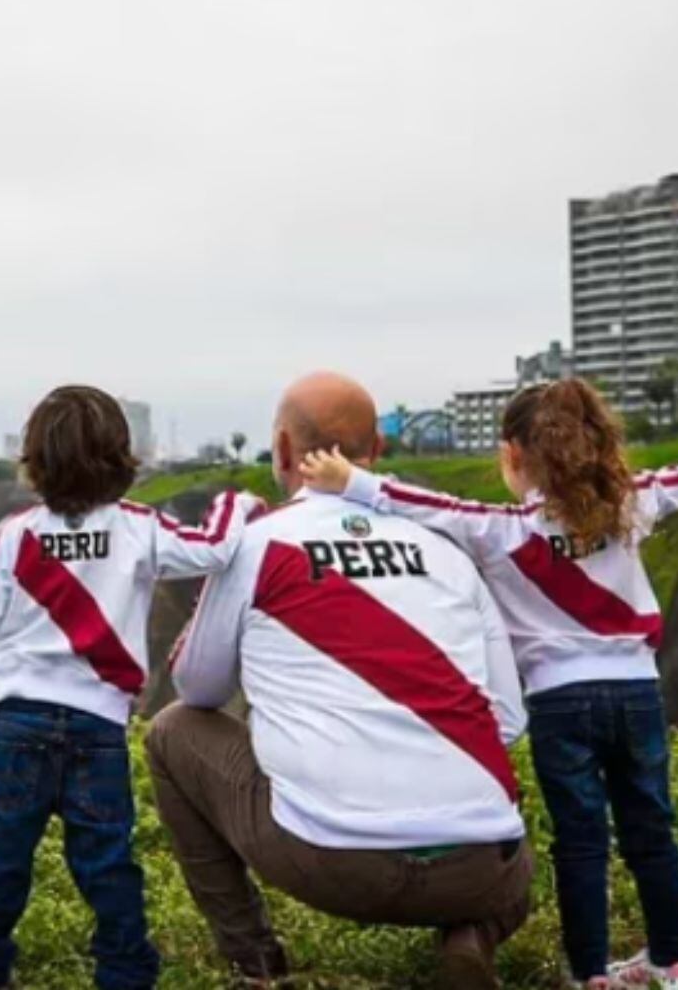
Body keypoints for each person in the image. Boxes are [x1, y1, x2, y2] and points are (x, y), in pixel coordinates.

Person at [301, 378, 678, 990]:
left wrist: (347, 481)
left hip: (559, 702)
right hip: (637, 693)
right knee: (651, 828)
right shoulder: (632, 502)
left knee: (581, 841)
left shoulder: (501, 529)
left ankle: (590, 972)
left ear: (515, 456)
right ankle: (671, 963)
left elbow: (414, 501)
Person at [150, 371, 532, 990]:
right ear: (375, 453)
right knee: (510, 840)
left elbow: (198, 692)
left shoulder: (255, 546)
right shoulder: (447, 551)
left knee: (171, 732)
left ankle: (256, 961)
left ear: (281, 450)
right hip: (476, 870)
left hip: (331, 864)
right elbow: (508, 721)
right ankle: (471, 938)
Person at [0, 383, 255, 990]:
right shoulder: (138, 528)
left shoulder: (15, 534)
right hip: (97, 728)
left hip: (19, 727)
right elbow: (217, 549)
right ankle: (126, 976)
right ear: (120, 457)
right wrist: (234, 500)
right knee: (108, 871)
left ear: (35, 462)